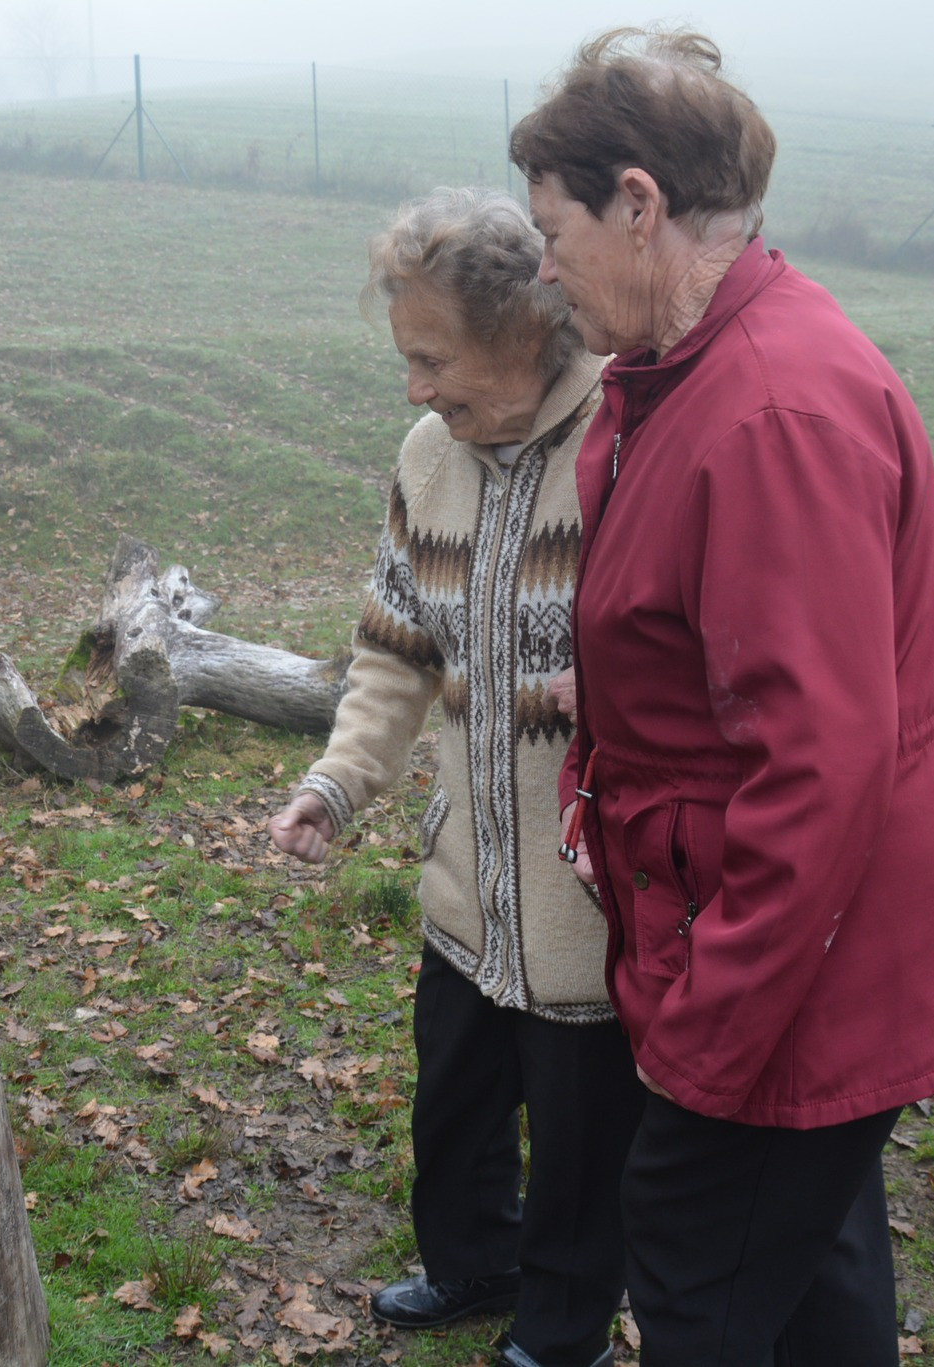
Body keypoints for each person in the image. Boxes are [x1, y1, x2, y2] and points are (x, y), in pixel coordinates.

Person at [511, 28, 934, 1366]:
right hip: (792, 952)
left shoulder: (768, 411)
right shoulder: (696, 371)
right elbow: (728, 641)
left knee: (695, 1262)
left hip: (792, 964)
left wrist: (709, 1037)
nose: (543, 261)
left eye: (553, 226)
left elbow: (821, 767)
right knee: (813, 1259)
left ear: (639, 203)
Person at [268, 187, 642, 1367]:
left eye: (433, 357)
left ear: (524, 330)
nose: (416, 387)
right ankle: (471, 1261)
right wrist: (337, 783)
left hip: (590, 906)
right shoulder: (427, 461)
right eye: (406, 358)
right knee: (456, 1112)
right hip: (463, 886)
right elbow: (392, 649)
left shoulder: (628, 446)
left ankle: (563, 1327)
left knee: (582, 1147)